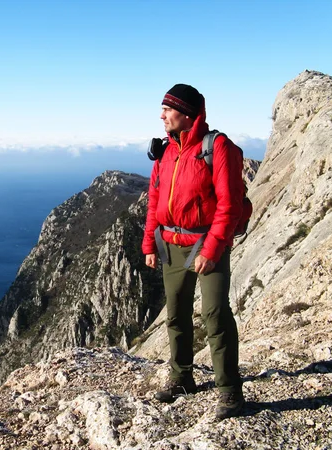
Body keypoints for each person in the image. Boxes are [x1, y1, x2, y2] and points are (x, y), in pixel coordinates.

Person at [142, 83, 245, 420]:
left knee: (215, 314)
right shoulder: (166, 151)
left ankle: (229, 391)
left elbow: (228, 206)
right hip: (171, 244)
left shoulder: (217, 148)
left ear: (186, 113)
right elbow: (154, 201)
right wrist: (149, 244)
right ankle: (182, 377)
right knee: (176, 315)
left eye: (167, 110)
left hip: (206, 244)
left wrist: (212, 249)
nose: (161, 116)